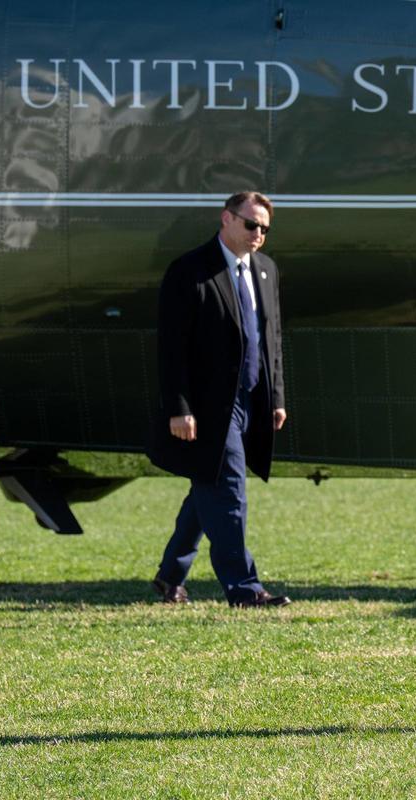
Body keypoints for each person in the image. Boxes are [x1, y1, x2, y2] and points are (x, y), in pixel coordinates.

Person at [146, 191, 290, 608]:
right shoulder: (190, 271)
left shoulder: (265, 270)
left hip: (249, 400)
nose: (258, 234)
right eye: (251, 225)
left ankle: (170, 574)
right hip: (208, 405)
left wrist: (276, 396)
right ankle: (244, 589)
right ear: (226, 219)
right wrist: (179, 407)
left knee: (207, 484)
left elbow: (272, 340)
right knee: (229, 490)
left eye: (264, 228)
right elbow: (171, 348)